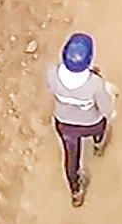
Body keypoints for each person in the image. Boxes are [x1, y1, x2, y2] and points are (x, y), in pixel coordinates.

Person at [48, 32, 116, 206]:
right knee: (101, 126)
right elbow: (106, 108)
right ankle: (99, 144)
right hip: (90, 123)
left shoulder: (52, 74)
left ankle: (76, 190)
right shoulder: (95, 84)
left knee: (71, 157)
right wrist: (110, 111)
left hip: (64, 125)